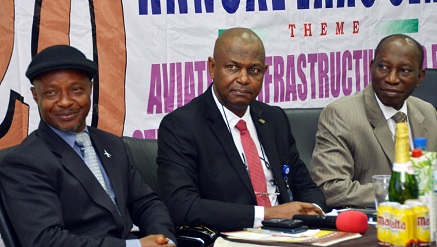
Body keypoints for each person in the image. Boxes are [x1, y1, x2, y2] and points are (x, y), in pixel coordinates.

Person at [0, 45, 176, 247]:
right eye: (51, 93)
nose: (65, 102)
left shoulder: (112, 144)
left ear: (90, 89)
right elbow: (46, 241)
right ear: (35, 95)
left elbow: (147, 203)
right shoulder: (24, 163)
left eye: (76, 90)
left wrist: (164, 240)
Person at [156, 27, 328, 232]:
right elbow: (182, 206)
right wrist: (268, 215)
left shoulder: (274, 119)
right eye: (232, 67)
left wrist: (313, 211)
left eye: (253, 70)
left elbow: (305, 187)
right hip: (230, 237)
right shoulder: (182, 126)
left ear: (264, 72)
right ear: (212, 67)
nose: (244, 79)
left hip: (291, 234)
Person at [310, 34, 437, 209]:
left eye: (404, 71)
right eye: (383, 67)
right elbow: (331, 189)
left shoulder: (427, 112)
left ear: (420, 77)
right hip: (372, 225)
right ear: (371, 67)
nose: (392, 78)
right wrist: (404, 193)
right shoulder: (341, 114)